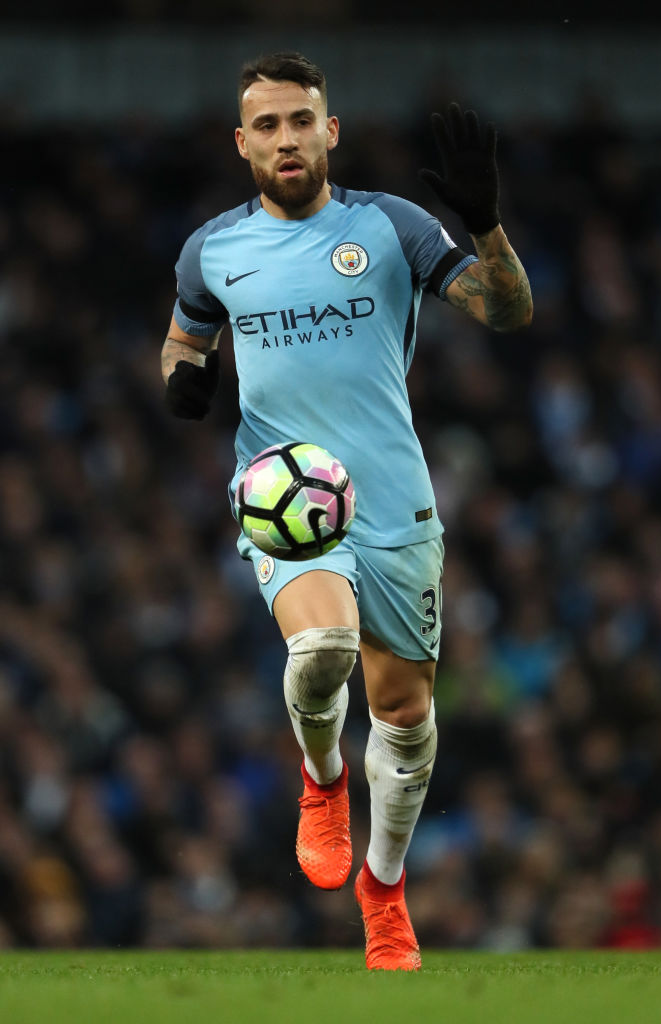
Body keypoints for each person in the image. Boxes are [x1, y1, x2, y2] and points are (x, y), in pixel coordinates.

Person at [161, 51, 532, 970]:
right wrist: (183, 378)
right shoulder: (212, 250)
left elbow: (506, 312)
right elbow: (183, 337)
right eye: (267, 125)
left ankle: (384, 887)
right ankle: (322, 780)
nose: (286, 139)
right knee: (322, 647)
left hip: (392, 496)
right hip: (284, 493)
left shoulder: (391, 226)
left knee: (403, 715)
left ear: (330, 130)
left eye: (301, 120)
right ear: (242, 143)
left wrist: (485, 225)